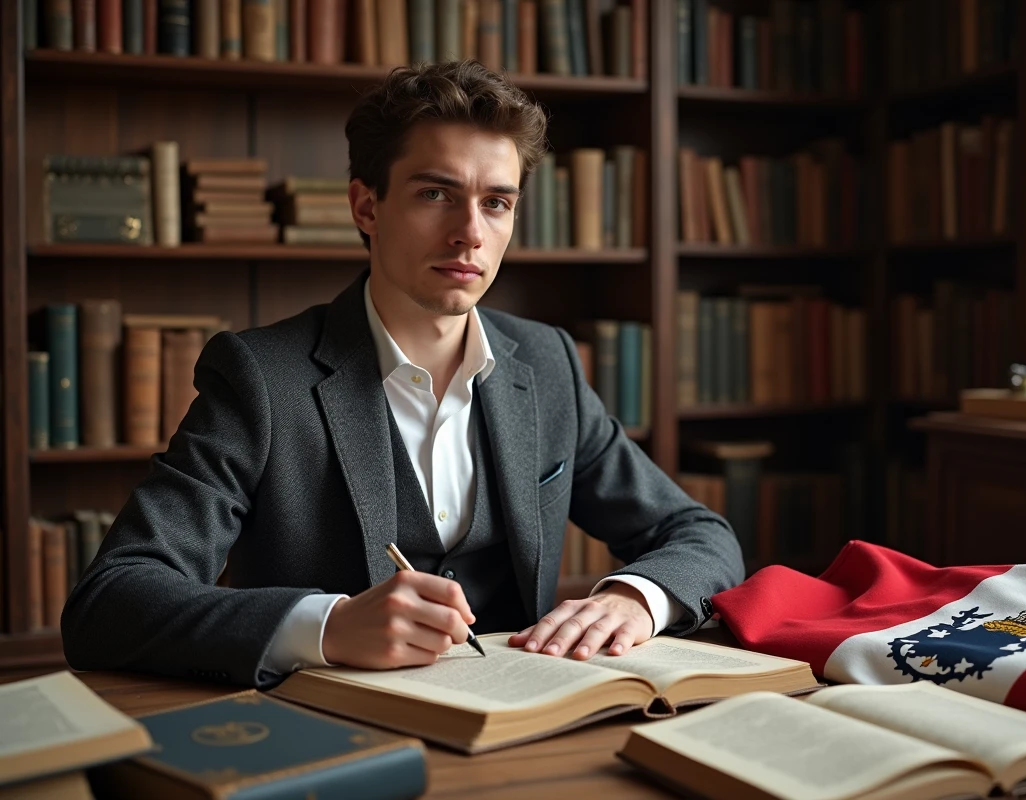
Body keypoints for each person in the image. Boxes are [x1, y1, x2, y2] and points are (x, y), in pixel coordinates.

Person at [61, 60, 743, 689]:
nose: (469, 232)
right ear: (366, 206)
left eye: (496, 202)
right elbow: (111, 597)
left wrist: (636, 598)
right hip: (331, 746)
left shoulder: (548, 363)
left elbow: (699, 535)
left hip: (527, 727)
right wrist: (325, 626)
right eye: (436, 194)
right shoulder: (262, 378)